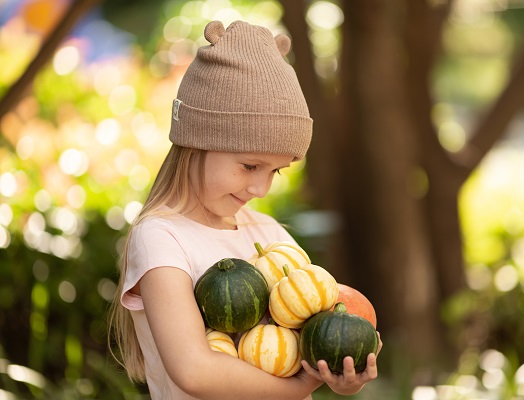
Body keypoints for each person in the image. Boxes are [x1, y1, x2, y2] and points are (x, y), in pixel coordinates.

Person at [108, 19, 382, 400]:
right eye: (250, 166)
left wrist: (340, 365)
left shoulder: (269, 234)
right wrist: (301, 388)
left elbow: (320, 327)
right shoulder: (161, 237)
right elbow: (195, 370)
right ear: (197, 142)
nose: (260, 187)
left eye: (276, 170)